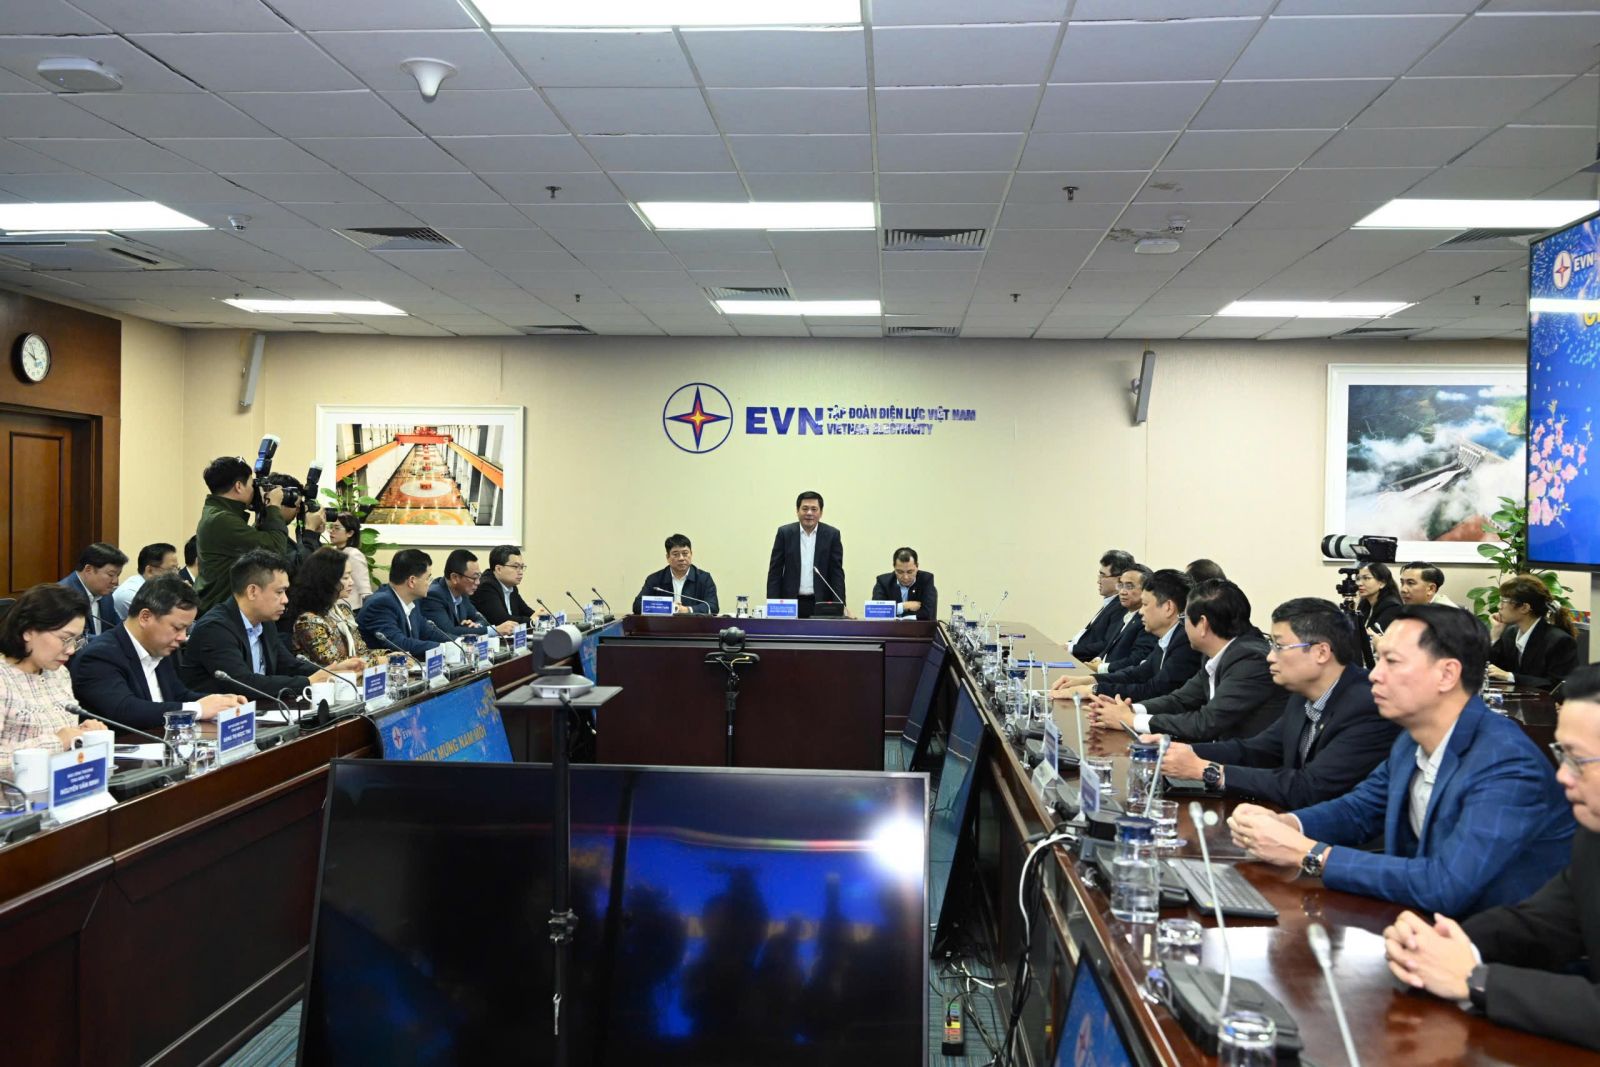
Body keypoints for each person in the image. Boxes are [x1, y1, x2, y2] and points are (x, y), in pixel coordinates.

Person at [1228, 605, 1573, 917]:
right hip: (1420, 927)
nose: (1374, 675)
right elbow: (1359, 810)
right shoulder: (1411, 740)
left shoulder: (1506, 763)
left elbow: (1445, 885)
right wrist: (1288, 824)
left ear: (1446, 674)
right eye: (1377, 660)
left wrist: (1311, 854)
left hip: (1494, 951)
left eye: (1391, 662)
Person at [1383, 663, 1600, 1051]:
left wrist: (1476, 980)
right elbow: (1542, 923)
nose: (1562, 776)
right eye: (1561, 754)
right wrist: (1447, 945)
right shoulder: (1592, 835)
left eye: (1577, 759)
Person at [1159, 597, 1400, 809]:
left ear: (1321, 652)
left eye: (1279, 646)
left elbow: (1311, 787)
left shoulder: (1366, 706)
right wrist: (1175, 751)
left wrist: (1208, 771)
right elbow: (1255, 751)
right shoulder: (1302, 695)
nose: (1270, 656)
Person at [1090, 579, 1278, 742]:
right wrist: (1129, 709)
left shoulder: (1250, 660)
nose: (1182, 626)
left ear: (1202, 624)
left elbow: (1205, 722)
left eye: (1184, 618)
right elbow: (1180, 700)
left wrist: (1131, 720)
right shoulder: (1216, 653)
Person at [70, 576, 246, 731]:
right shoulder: (99, 656)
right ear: (145, 617)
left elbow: (179, 695)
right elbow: (125, 710)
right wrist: (198, 709)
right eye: (177, 628)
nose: (182, 637)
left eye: (186, 629)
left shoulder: (160, 646)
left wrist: (219, 702)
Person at [180, 550, 357, 699]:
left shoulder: (265, 622)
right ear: (252, 591)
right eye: (279, 592)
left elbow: (289, 666)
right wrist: (309, 682)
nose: (285, 600)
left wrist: (332, 671)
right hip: (218, 721)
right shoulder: (215, 628)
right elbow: (244, 683)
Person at [1055, 569, 1201, 704]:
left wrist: (1093, 690)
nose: (1141, 612)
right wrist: (1090, 680)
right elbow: (1138, 674)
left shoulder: (1185, 641)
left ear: (1168, 607)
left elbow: (1154, 690)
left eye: (1145, 604)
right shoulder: (1170, 636)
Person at [0, 584, 104, 771]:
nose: (71, 650)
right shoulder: (3, 679)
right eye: (65, 638)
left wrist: (84, 733)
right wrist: (57, 742)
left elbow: (67, 738)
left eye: (76, 640)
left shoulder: (59, 674)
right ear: (28, 630)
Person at [194, 456, 301, 613]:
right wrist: (273, 506)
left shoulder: (219, 513)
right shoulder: (222, 520)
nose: (254, 490)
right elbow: (275, 550)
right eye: (252, 484)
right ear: (238, 486)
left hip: (219, 606)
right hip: (219, 609)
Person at [288, 548, 391, 669]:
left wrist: (389, 655)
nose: (352, 582)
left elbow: (361, 652)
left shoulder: (343, 612)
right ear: (327, 580)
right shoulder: (308, 621)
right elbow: (335, 664)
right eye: (346, 577)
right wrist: (379, 661)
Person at [1486, 574, 1579, 691]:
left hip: (1544, 702)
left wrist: (1510, 677)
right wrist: (1495, 636)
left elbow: (1557, 686)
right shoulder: (1510, 633)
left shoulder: (1559, 641)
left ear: (1524, 608)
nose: (1499, 606)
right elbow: (1492, 671)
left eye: (1504, 601)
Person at [356, 549, 453, 659]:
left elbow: (428, 632)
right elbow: (400, 644)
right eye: (427, 578)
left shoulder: (412, 600)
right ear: (412, 581)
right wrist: (443, 648)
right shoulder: (380, 604)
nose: (429, 583)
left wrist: (458, 642)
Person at [766, 491, 844, 617]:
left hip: (821, 602)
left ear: (821, 513)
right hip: (790, 603)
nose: (809, 513)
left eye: (814, 509)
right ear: (797, 511)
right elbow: (775, 572)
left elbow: (837, 574)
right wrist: (772, 604)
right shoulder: (784, 533)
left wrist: (839, 606)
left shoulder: (832, 535)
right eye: (805, 508)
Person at [421, 549, 516, 636]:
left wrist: (475, 625)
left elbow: (481, 619)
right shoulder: (434, 596)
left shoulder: (462, 593)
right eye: (474, 578)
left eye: (479, 577)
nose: (478, 582)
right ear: (455, 578)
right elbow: (448, 631)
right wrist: (495, 630)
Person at [1065, 549, 1136, 659]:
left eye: (1103, 576)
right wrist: (1068, 646)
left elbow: (1106, 645)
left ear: (1119, 579)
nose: (1098, 581)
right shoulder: (1110, 602)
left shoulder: (1121, 606)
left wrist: (1070, 649)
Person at [1087, 564, 1157, 674]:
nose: (1122, 592)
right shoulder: (1125, 614)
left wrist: (1101, 667)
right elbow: (1108, 647)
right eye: (1121, 585)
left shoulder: (1147, 621)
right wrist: (1098, 659)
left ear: (1146, 590)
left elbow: (1137, 660)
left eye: (1129, 586)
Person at [634, 534, 720, 615]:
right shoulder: (655, 579)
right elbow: (637, 605)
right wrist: (668, 607)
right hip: (663, 625)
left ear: (691, 554)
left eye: (685, 553)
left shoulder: (704, 578)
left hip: (694, 625)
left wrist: (687, 610)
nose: (681, 558)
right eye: (675, 554)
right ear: (667, 557)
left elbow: (713, 607)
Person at [59, 541, 125, 638]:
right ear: (88, 569)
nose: (115, 581)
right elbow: (75, 638)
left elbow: (117, 627)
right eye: (111, 575)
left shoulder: (105, 595)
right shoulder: (63, 596)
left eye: (117, 575)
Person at [1353, 561, 1404, 668]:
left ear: (1382, 583)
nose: (1359, 583)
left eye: (1366, 578)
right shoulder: (1364, 604)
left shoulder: (1392, 606)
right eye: (1358, 579)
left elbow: (1370, 637)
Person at [473, 544, 538, 626]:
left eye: (522, 567)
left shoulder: (511, 586)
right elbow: (502, 620)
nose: (520, 572)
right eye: (515, 567)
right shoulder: (486, 586)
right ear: (498, 569)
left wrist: (539, 616)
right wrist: (532, 621)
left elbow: (527, 612)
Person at [112, 542, 179, 620]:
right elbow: (160, 622)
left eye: (177, 569)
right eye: (171, 569)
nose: (176, 574)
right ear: (150, 571)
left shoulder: (157, 588)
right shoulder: (130, 593)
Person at [869, 547, 936, 621]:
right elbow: (876, 611)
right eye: (900, 572)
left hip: (919, 628)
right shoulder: (883, 582)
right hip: (890, 628)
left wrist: (894, 612)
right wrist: (903, 606)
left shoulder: (926, 580)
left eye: (910, 572)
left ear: (917, 567)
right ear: (894, 567)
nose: (905, 577)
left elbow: (928, 613)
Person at [326, 512, 372, 607]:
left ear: (350, 533)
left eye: (337, 528)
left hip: (351, 608)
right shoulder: (332, 551)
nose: (332, 531)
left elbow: (365, 590)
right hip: (335, 607)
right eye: (331, 527)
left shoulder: (354, 555)